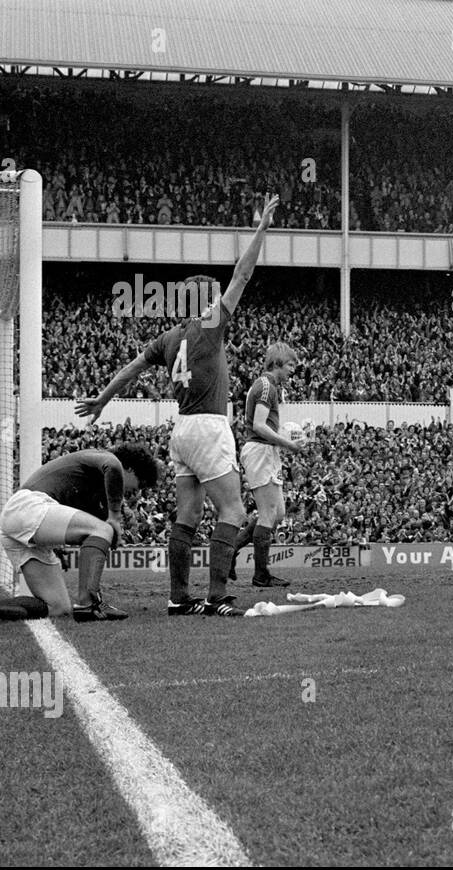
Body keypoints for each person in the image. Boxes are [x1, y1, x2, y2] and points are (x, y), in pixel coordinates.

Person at [75, 194, 280, 617]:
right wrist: (261, 230)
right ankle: (217, 596)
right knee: (234, 510)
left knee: (187, 514)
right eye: (211, 295)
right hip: (207, 426)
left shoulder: (170, 338)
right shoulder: (209, 327)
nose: (217, 298)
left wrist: (103, 399)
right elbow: (242, 275)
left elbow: (132, 369)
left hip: (182, 430)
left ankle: (177, 597)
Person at [0, 443, 161, 626]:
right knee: (103, 528)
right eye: (140, 484)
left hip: (21, 521)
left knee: (57, 607)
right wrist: (115, 518)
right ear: (130, 469)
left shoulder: (94, 490)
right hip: (28, 505)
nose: (137, 492)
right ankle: (89, 604)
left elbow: (86, 529)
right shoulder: (107, 458)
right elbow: (113, 467)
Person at [231, 342, 302, 588]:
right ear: (277, 363)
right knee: (268, 514)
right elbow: (260, 426)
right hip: (260, 449)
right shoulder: (265, 385)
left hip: (265, 450)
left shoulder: (269, 386)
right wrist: (288, 444)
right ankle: (261, 574)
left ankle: (232, 550)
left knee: (278, 513)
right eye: (291, 364)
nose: (294, 369)